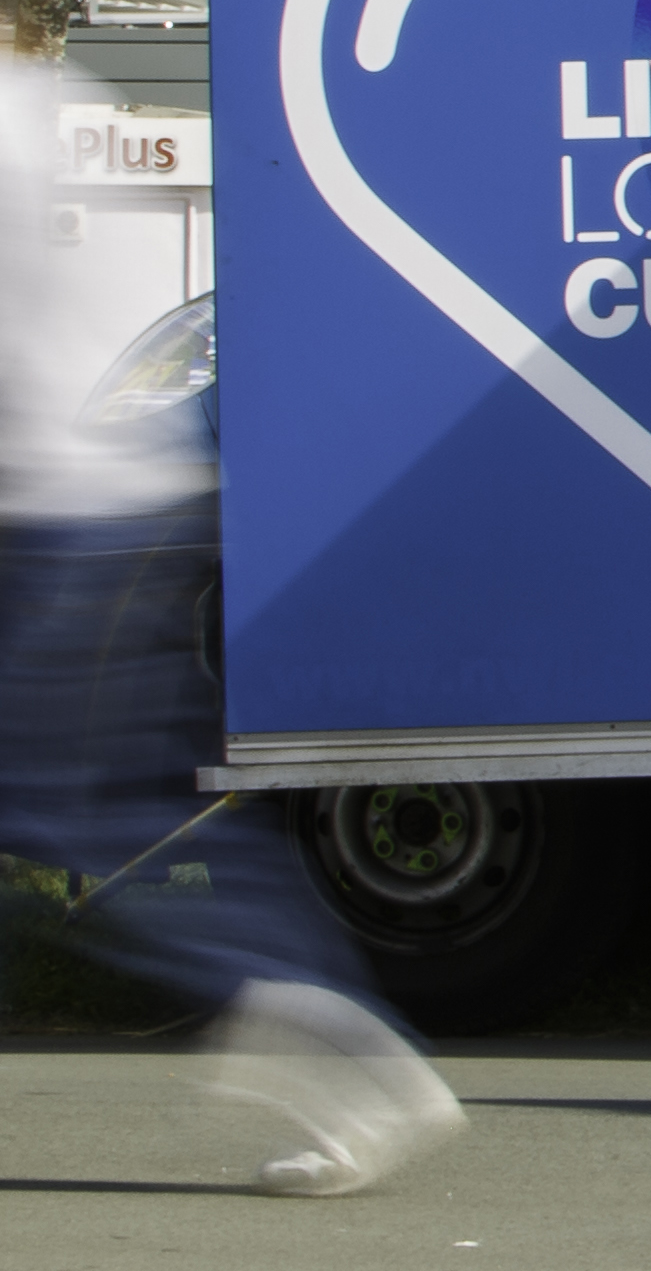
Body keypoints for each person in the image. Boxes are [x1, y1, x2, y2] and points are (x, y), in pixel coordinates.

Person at [0, 60, 462, 1194]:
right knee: (109, 813)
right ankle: (343, 1043)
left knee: (93, 818)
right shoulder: (40, 99)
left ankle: (340, 1041)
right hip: (100, 501)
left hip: (51, 518)